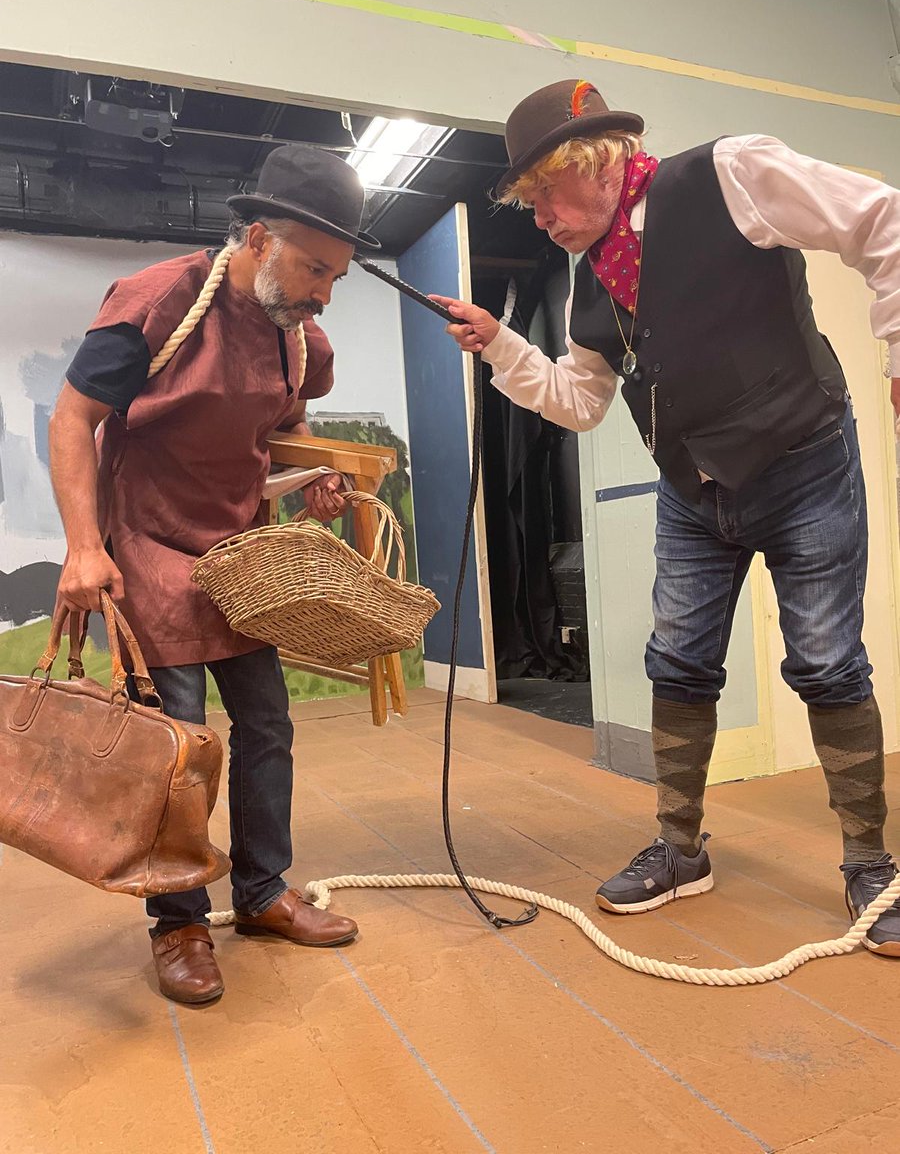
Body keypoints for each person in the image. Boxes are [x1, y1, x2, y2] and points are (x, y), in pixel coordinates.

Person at [434, 79, 900, 957]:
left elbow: (882, 221)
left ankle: (871, 864)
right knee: (679, 660)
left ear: (597, 162)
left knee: (829, 662)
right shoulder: (585, 288)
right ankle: (682, 850)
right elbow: (579, 401)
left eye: (544, 196)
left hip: (804, 463)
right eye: (526, 204)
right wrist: (498, 342)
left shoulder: (730, 173)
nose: (539, 219)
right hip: (693, 490)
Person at [49, 144, 376, 1003]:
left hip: (240, 559)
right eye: (315, 267)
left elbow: (279, 436)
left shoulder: (300, 339)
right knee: (181, 746)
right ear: (260, 239)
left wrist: (319, 483)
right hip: (153, 548)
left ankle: (264, 893)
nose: (323, 292)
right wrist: (85, 546)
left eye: (337, 277)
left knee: (268, 730)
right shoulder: (157, 304)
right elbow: (73, 420)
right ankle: (182, 924)